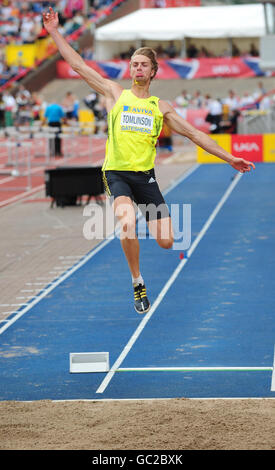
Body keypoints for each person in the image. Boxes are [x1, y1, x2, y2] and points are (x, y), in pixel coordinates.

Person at [43, 7, 255, 314]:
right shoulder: (115, 93)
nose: (138, 68)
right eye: (134, 64)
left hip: (146, 178)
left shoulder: (160, 107)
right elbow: (77, 65)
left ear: (153, 71)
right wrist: (53, 32)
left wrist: (229, 157)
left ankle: (143, 219)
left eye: (143, 65)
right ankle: (137, 281)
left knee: (167, 242)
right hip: (117, 173)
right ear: (129, 70)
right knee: (126, 223)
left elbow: (196, 134)